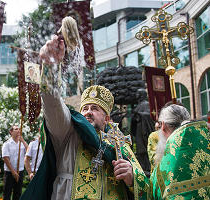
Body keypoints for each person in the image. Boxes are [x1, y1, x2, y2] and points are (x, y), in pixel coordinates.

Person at [21, 35, 148, 200]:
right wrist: (50, 68)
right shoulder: (68, 132)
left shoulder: (119, 143)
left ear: (107, 118)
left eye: (94, 109)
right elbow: (53, 106)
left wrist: (131, 179)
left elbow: (144, 186)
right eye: (85, 108)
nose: (88, 112)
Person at [149, 104, 210, 199]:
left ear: (163, 125)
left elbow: (153, 193)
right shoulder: (206, 142)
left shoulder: (166, 165)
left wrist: (134, 179)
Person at [2, 125, 28, 200]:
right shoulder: (7, 144)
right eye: (16, 129)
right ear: (11, 132)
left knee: (18, 193)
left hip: (20, 171)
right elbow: (6, 158)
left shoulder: (22, 143)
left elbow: (28, 151)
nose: (18, 130)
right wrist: (13, 172)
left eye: (19, 129)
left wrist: (23, 141)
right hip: (9, 172)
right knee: (7, 192)